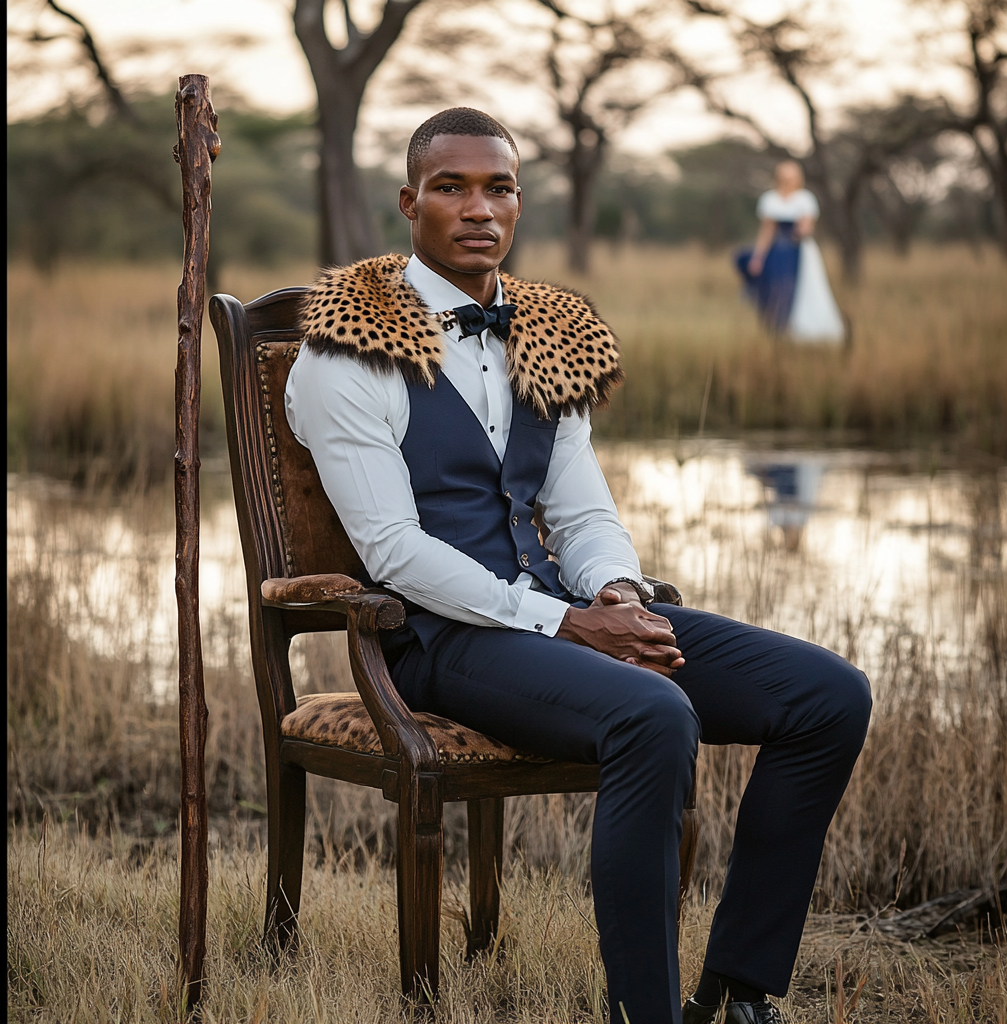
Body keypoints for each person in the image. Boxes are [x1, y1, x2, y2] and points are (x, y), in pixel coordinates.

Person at [285, 108, 871, 1024]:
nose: (479, 207)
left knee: (828, 696)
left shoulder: (545, 332)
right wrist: (565, 622)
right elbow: (395, 553)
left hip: (558, 614)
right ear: (410, 202)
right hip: (441, 637)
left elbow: (581, 508)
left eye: (500, 186)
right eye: (452, 187)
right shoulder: (346, 352)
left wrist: (616, 593)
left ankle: (742, 989)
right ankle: (645, 1011)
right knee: (652, 714)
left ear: (520, 202)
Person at [736, 161, 846, 343]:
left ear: (798, 178)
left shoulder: (805, 198)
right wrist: (758, 256)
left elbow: (807, 225)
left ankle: (799, 330)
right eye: (785, 177)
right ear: (778, 178)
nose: (788, 181)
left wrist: (802, 230)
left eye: (792, 177)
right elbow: (767, 231)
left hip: (798, 250)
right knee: (765, 279)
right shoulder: (769, 198)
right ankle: (775, 326)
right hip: (776, 249)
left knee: (795, 288)